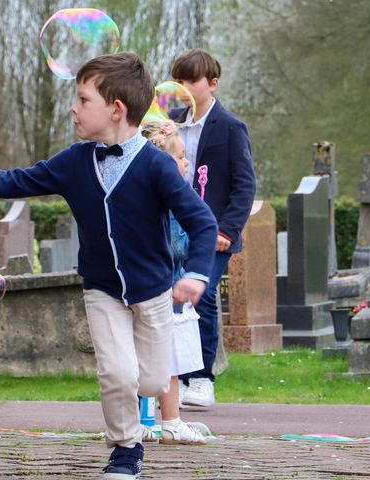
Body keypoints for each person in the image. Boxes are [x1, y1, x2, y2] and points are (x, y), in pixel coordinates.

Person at [0, 52, 218, 479]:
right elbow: (13, 180)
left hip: (153, 290)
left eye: (82, 100)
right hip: (101, 290)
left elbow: (202, 221)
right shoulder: (74, 162)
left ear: (115, 109)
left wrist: (197, 274)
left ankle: (143, 408)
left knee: (148, 381)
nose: (73, 108)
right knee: (116, 372)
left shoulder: (157, 165)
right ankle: (126, 451)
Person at [170, 48, 257, 407]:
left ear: (213, 83)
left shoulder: (231, 127)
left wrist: (227, 230)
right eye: (179, 81)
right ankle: (176, 377)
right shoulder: (169, 121)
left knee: (201, 295)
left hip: (214, 232)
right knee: (171, 298)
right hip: (175, 228)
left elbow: (244, 185)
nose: (184, 87)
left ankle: (202, 379)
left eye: (192, 80)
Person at [140, 119, 207, 444]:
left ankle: (160, 421)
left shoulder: (174, 199)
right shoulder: (170, 203)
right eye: (181, 157)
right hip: (164, 290)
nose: (186, 163)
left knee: (165, 363)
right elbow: (177, 246)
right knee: (158, 363)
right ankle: (157, 421)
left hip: (168, 288)